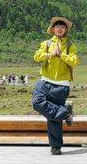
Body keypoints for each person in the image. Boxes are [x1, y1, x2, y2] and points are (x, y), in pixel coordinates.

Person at [32, 16, 79, 156]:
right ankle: (65, 112)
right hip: (45, 81)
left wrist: (62, 55)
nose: (59, 28)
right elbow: (36, 57)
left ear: (65, 30)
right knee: (36, 102)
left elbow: (75, 61)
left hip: (61, 85)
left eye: (62, 26)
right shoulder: (46, 43)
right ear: (53, 29)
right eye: (57, 26)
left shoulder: (70, 45)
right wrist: (51, 54)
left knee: (53, 118)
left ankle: (56, 146)